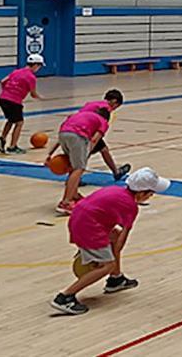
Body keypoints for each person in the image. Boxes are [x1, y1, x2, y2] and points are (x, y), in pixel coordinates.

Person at [49, 168, 170, 315]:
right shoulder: (130, 206)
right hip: (88, 227)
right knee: (107, 265)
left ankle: (116, 279)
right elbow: (123, 238)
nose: (151, 196)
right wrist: (111, 257)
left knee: (115, 236)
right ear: (141, 193)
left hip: (79, 219)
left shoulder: (116, 190)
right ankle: (65, 297)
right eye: (151, 193)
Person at [45, 106, 111, 215]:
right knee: (79, 168)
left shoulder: (79, 115)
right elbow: (94, 140)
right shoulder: (103, 122)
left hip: (62, 134)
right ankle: (66, 202)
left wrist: (50, 154)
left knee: (72, 166)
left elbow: (63, 135)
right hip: (78, 136)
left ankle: (74, 195)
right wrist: (86, 155)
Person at [0, 54, 45, 154]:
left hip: (2, 98)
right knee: (19, 123)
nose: (39, 69)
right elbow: (33, 94)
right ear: (35, 65)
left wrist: (7, 91)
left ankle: (2, 138)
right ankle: (12, 147)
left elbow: (3, 81)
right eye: (39, 66)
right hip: (14, 101)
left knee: (11, 120)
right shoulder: (31, 77)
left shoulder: (16, 71)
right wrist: (40, 97)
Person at [79, 90, 130, 181]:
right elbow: (99, 124)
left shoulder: (93, 104)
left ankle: (116, 172)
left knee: (103, 149)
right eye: (117, 106)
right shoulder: (105, 110)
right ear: (114, 101)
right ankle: (76, 176)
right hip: (87, 130)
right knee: (87, 152)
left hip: (77, 126)